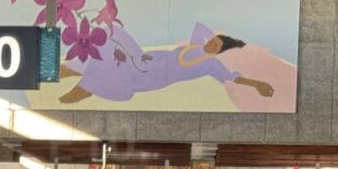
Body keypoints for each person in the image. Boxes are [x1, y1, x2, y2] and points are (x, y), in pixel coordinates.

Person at [59, 22, 275, 104]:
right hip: (146, 58)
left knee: (116, 72)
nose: (210, 45)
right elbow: (200, 27)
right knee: (114, 36)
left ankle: (84, 87)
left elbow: (231, 77)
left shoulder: (211, 64)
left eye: (216, 46)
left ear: (219, 52)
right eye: (212, 42)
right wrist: (215, 36)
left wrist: (256, 84)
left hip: (153, 76)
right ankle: (70, 71)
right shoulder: (196, 44)